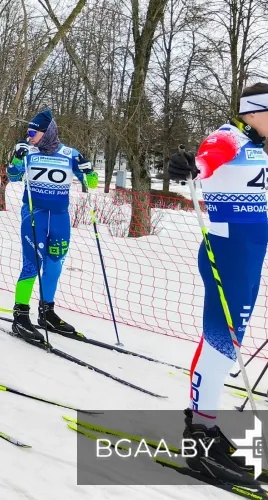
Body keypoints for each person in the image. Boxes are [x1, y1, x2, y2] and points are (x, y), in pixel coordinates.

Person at [167, 82, 268, 487]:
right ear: (256, 112)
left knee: (225, 342)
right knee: (223, 343)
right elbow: (204, 162)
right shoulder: (226, 137)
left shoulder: (260, 146)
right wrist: (188, 165)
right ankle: (200, 438)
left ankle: (203, 423)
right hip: (227, 255)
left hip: (248, 257)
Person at [5, 109, 97, 342]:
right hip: (33, 215)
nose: (30, 135)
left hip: (59, 218)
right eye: (28, 131)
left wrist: (89, 171)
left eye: (34, 132)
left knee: (54, 266)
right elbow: (13, 177)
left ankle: (47, 312)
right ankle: (20, 316)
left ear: (47, 133)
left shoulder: (69, 153)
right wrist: (16, 158)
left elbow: (92, 183)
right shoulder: (28, 151)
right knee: (32, 265)